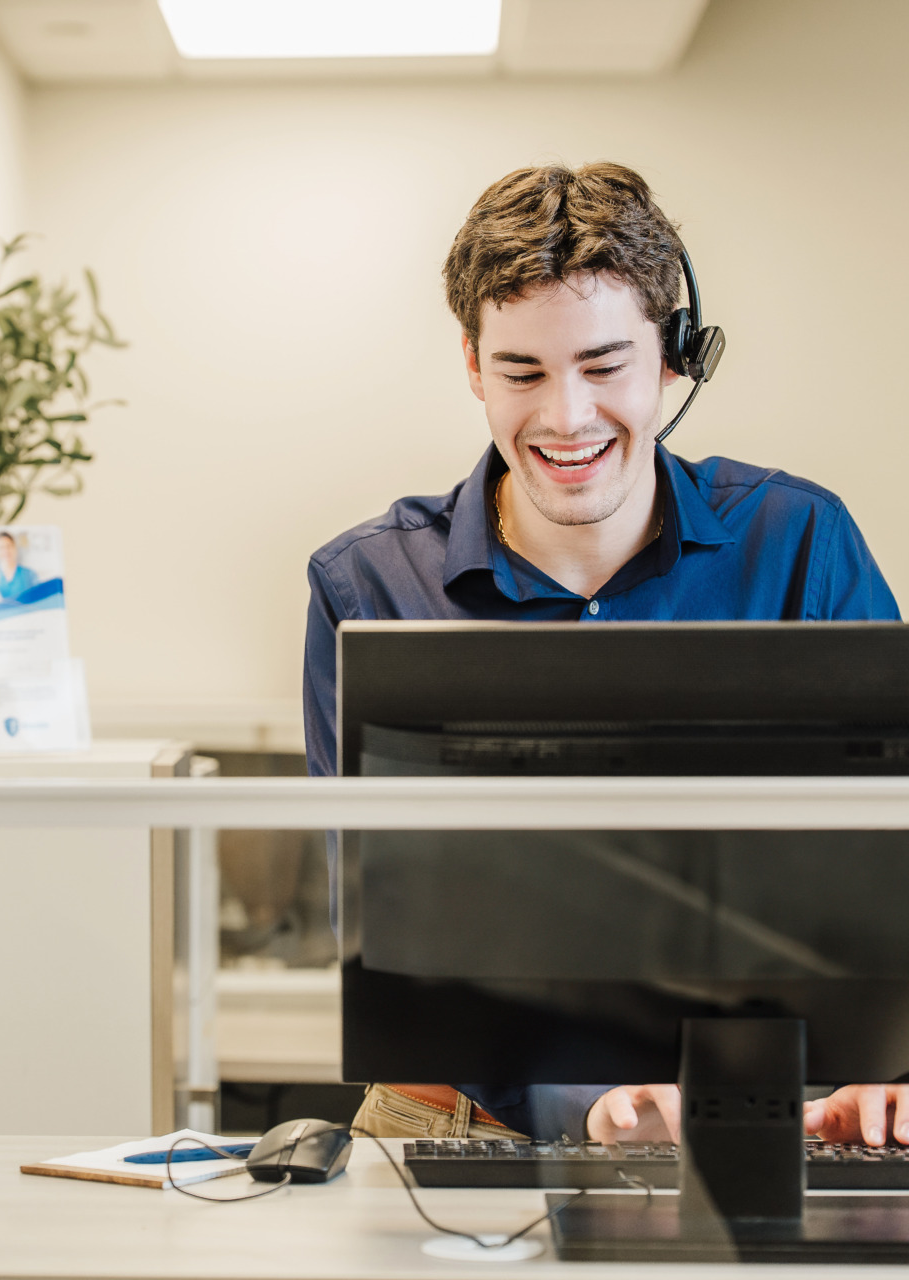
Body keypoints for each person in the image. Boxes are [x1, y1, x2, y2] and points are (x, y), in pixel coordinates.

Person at [302, 161, 905, 1149]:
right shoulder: (365, 587)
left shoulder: (797, 542)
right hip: (455, 1123)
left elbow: (894, 861)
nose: (565, 416)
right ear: (470, 364)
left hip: (774, 1116)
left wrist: (893, 1066)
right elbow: (387, 930)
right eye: (521, 372)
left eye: (602, 364)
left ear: (673, 358)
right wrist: (582, 1094)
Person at [0, 531, 38, 600]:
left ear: (15, 548)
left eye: (8, 546)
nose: (6, 550)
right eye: (1, 547)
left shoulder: (30, 575)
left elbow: (39, 599)